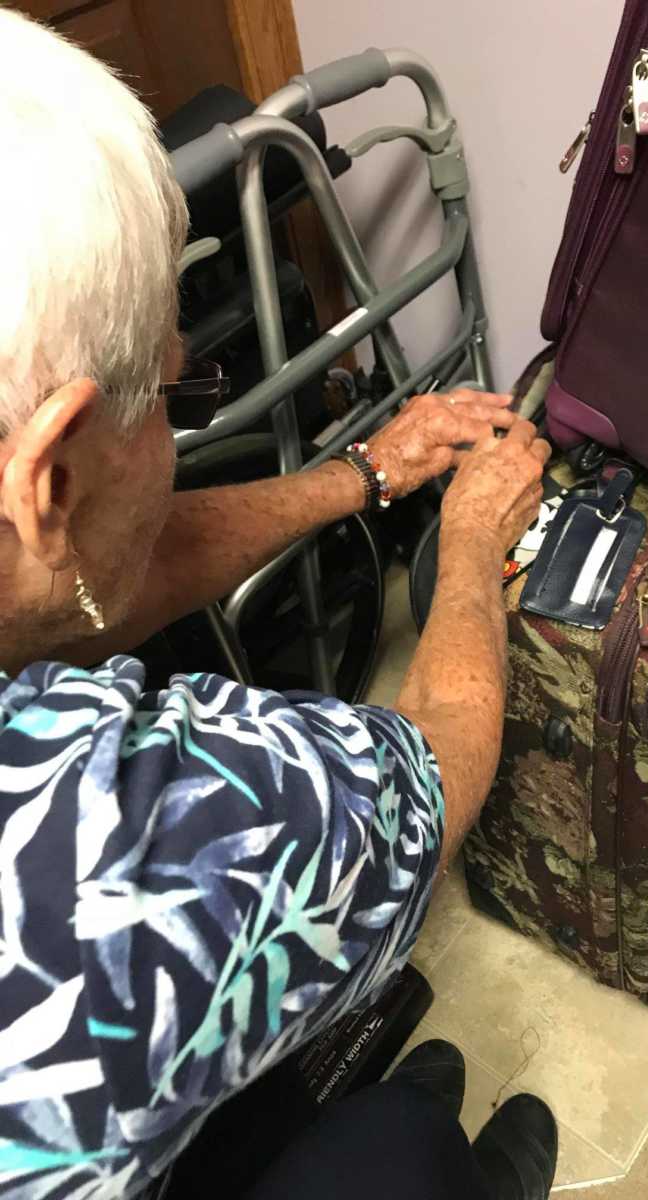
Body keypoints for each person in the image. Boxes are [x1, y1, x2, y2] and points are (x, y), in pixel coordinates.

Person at [0, 8, 557, 1200]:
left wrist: (364, 475)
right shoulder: (127, 845)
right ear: (45, 476)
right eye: (170, 391)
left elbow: (75, 586)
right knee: (401, 1161)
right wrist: (468, 546)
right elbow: (436, 771)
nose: (182, 419)